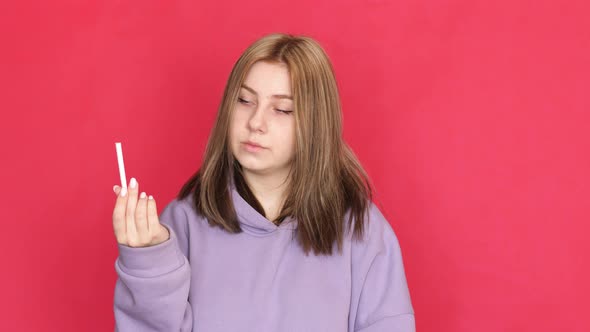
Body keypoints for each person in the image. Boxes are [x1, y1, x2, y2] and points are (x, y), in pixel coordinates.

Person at [111, 32, 415, 331]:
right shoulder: (181, 223)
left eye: (282, 109)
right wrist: (148, 266)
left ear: (316, 122)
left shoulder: (363, 232)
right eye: (244, 100)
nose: (256, 122)